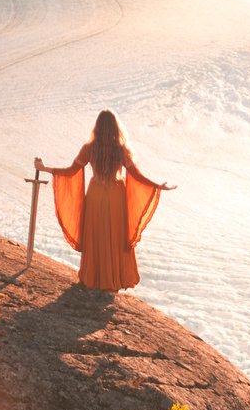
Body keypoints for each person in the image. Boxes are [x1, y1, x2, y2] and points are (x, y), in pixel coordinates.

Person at [39, 110, 172, 291]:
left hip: (95, 195)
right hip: (116, 195)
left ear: (97, 127)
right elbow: (137, 177)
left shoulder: (89, 148)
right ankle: (113, 280)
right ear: (116, 128)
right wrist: (157, 186)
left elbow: (70, 172)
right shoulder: (121, 150)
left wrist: (44, 168)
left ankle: (94, 277)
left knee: (96, 235)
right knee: (115, 237)